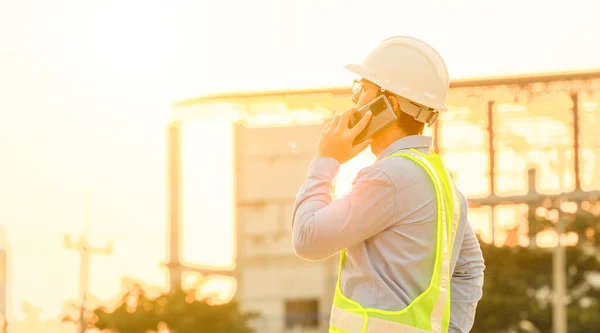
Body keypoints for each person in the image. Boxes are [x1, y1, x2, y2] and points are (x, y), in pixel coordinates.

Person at [291, 36, 485, 333]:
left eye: (363, 89)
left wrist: (326, 162)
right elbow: (469, 271)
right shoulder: (441, 181)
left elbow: (307, 238)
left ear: (389, 105)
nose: (355, 99)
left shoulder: (390, 177)